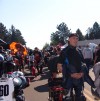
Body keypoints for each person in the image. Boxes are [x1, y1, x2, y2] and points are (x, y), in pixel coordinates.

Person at [57, 33, 94, 101]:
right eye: (74, 38)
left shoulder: (79, 51)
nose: (76, 40)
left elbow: (83, 63)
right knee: (68, 99)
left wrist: (82, 73)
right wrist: (70, 74)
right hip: (69, 79)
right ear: (69, 39)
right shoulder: (64, 52)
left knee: (80, 98)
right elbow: (59, 66)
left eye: (77, 38)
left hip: (79, 79)